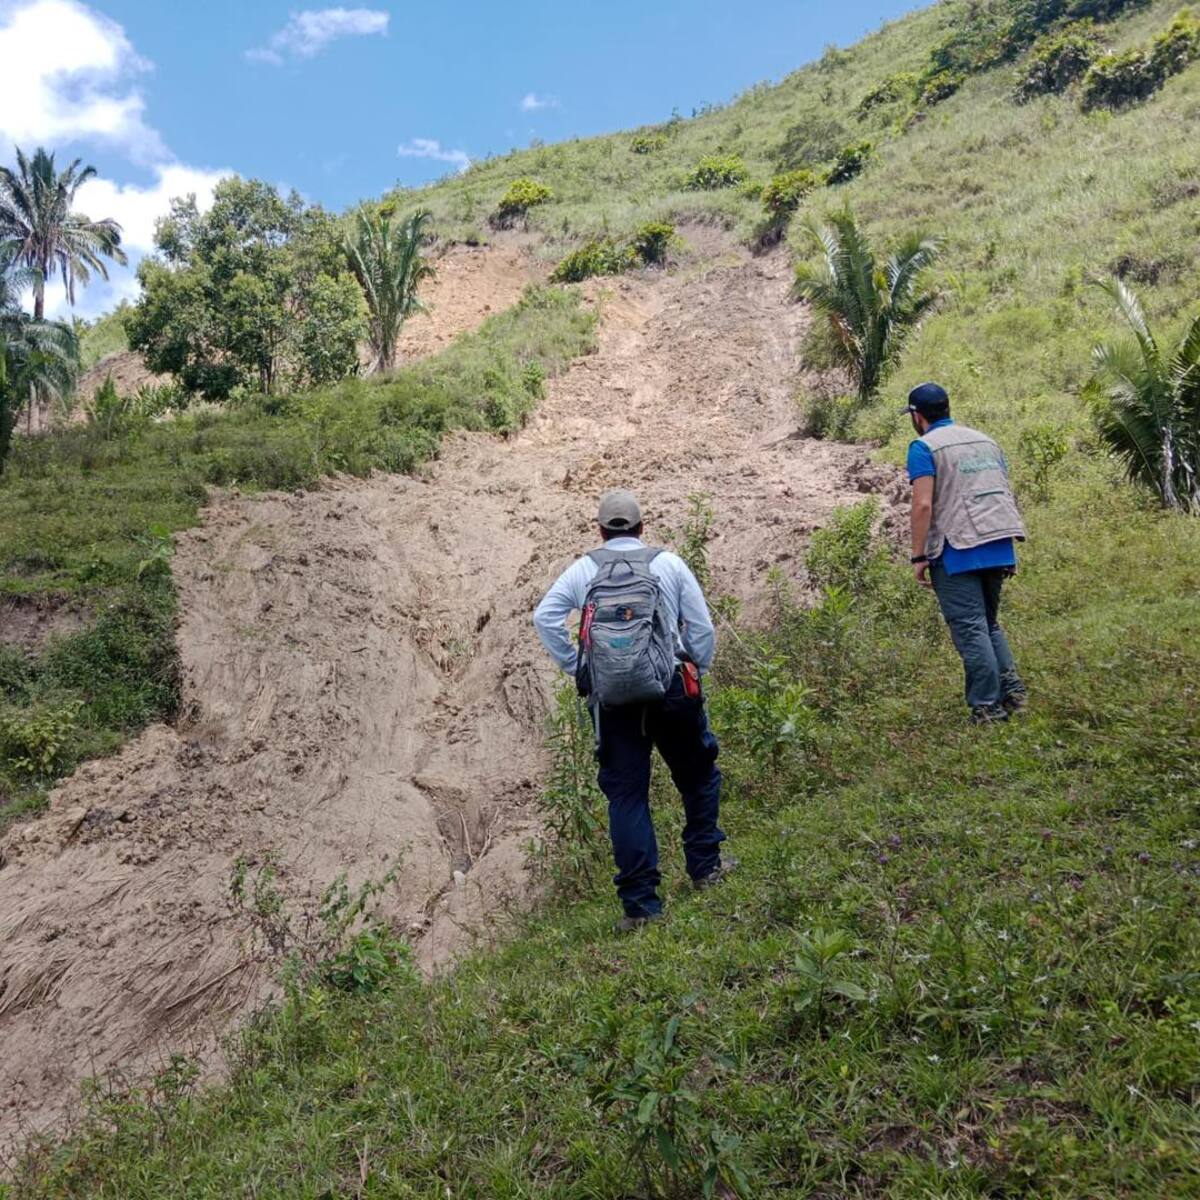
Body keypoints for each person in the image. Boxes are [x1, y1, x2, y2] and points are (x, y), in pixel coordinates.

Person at [533, 488, 731, 930]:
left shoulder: (583, 570)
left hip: (613, 701)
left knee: (627, 798)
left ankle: (641, 907)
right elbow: (700, 628)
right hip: (673, 690)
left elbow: (544, 617)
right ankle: (706, 868)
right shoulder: (669, 564)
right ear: (643, 528)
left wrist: (579, 667)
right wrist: (696, 666)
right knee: (697, 777)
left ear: (600, 531)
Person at [906, 382, 1029, 725]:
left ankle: (987, 709)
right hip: (999, 540)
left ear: (917, 416)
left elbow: (923, 504)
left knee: (971, 629)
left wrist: (918, 557)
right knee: (988, 624)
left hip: (958, 547)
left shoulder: (923, 447)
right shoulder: (985, 440)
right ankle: (1013, 694)